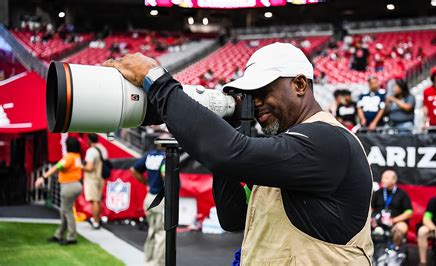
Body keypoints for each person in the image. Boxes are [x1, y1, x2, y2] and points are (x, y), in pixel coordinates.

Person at [104, 43, 374, 264]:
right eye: (249, 95)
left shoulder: (327, 139)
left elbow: (228, 152)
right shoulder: (292, 150)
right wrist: (228, 122)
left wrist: (158, 82)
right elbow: (232, 218)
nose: (254, 103)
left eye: (262, 92)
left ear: (300, 85)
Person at [35, 137, 82, 245]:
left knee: (67, 212)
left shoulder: (69, 157)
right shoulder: (77, 157)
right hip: (76, 185)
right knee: (64, 211)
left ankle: (71, 237)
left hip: (69, 186)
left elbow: (56, 167)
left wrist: (43, 177)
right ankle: (59, 234)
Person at [130, 144, 166, 266]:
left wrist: (146, 183)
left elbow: (133, 170)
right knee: (162, 233)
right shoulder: (166, 157)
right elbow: (165, 174)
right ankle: (158, 264)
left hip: (150, 197)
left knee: (152, 231)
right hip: (161, 198)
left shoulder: (149, 155)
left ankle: (148, 261)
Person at [371, 170, 413, 249]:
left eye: (386, 178)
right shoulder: (377, 193)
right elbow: (370, 208)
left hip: (395, 222)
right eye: (382, 177)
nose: (382, 180)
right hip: (378, 221)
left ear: (394, 180)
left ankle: (394, 250)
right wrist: (372, 219)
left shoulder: (402, 194)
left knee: (401, 228)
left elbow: (409, 212)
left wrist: (393, 220)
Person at [83, 133, 108, 229]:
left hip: (92, 179)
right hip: (100, 178)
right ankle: (97, 219)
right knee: (98, 200)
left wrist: (80, 166)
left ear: (89, 139)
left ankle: (96, 221)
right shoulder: (102, 148)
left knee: (94, 201)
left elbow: (89, 168)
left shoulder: (91, 151)